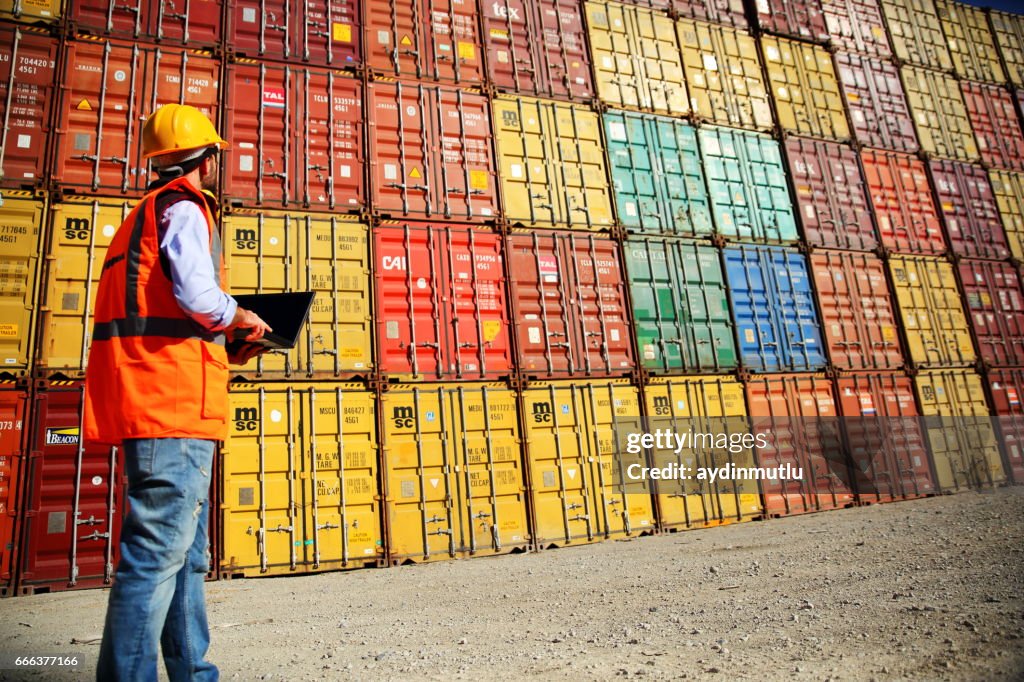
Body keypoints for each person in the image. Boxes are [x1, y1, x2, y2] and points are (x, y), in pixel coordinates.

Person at [83, 103, 271, 682]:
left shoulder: (137, 217)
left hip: (154, 396)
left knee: (186, 557)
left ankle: (193, 674)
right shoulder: (185, 209)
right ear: (207, 158)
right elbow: (196, 296)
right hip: (172, 406)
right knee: (156, 557)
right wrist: (242, 317)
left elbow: (159, 312)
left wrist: (228, 344)